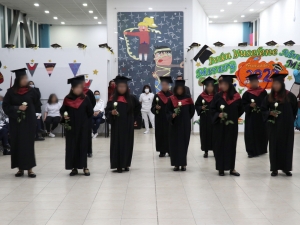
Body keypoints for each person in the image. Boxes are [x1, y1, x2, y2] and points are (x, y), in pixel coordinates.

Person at [3, 68, 40, 178]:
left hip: (29, 121)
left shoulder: (32, 91)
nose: (25, 80)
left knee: (28, 145)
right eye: (23, 78)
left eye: (26, 78)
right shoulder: (11, 92)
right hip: (16, 123)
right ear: (18, 79)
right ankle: (19, 169)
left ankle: (30, 169)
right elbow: (5, 107)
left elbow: (37, 103)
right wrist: (17, 108)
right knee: (17, 144)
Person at [261, 73, 298, 177]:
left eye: (277, 83)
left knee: (287, 146)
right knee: (274, 146)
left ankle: (286, 168)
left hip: (287, 127)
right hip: (274, 126)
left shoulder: (290, 96)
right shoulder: (269, 97)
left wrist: (289, 119)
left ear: (282, 84)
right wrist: (269, 113)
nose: (275, 86)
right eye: (274, 83)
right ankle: (274, 169)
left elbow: (294, 109)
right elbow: (263, 109)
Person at [105, 75, 141, 173]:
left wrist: (134, 118)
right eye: (120, 86)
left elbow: (138, 107)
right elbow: (107, 111)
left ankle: (126, 164)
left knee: (127, 144)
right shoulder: (112, 99)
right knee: (117, 144)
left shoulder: (131, 98)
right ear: (116, 87)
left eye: (124, 86)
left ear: (127, 87)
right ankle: (117, 165)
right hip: (117, 125)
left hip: (128, 125)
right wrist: (111, 113)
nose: (122, 88)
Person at [210, 75, 244, 176]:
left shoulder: (236, 96)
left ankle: (231, 168)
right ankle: (221, 168)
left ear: (229, 85)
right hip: (219, 126)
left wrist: (233, 117)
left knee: (231, 145)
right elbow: (212, 110)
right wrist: (218, 115)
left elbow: (241, 109)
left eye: (225, 84)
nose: (222, 86)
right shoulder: (217, 96)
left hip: (231, 126)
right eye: (221, 84)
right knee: (219, 145)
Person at [60, 75, 94, 176]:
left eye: (81, 87)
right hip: (71, 128)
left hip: (83, 127)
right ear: (72, 88)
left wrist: (86, 123)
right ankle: (74, 168)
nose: (79, 89)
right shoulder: (67, 99)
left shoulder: (85, 99)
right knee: (72, 147)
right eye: (77, 88)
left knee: (83, 146)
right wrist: (64, 117)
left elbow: (90, 112)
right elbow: (62, 110)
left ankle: (85, 167)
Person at [166, 80, 195, 171]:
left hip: (185, 125)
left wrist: (186, 119)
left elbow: (192, 111)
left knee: (184, 144)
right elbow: (167, 111)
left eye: (181, 89)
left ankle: (183, 164)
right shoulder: (171, 99)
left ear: (184, 89)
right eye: (178, 89)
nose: (179, 91)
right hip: (174, 125)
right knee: (174, 144)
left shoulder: (188, 99)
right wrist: (172, 116)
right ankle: (176, 164)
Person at [242, 74, 268, 158]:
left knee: (262, 132)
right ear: (249, 82)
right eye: (252, 81)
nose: (254, 83)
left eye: (255, 81)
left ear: (258, 82)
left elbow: (267, 104)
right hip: (251, 118)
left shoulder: (263, 92)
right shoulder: (246, 94)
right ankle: (251, 152)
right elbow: (243, 105)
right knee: (251, 134)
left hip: (261, 117)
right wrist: (249, 105)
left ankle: (262, 149)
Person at [151, 76, 173, 157]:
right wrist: (156, 108)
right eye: (162, 84)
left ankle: (170, 150)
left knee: (170, 134)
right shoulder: (157, 95)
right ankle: (162, 150)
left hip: (169, 119)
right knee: (160, 134)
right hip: (160, 118)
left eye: (165, 84)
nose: (164, 86)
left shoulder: (172, 95)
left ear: (168, 85)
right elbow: (152, 108)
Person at [195, 77, 217, 158]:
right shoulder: (201, 96)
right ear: (205, 87)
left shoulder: (216, 96)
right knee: (205, 134)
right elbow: (196, 105)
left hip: (214, 119)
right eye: (208, 86)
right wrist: (201, 108)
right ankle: (206, 151)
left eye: (211, 86)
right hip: (205, 119)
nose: (210, 88)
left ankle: (215, 150)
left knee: (214, 135)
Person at [80, 75, 96, 158]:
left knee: (87, 134)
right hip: (77, 117)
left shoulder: (88, 92)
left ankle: (89, 151)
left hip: (87, 116)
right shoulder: (74, 92)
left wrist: (89, 110)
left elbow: (93, 102)